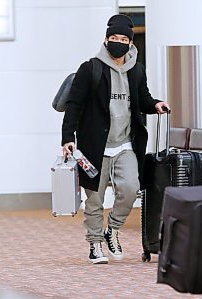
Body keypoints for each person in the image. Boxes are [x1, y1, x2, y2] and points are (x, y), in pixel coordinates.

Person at [61, 14, 170, 264]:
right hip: (93, 146)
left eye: (123, 39)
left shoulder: (137, 70)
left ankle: (113, 230)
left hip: (125, 144)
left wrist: (156, 105)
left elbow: (143, 98)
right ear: (106, 39)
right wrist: (67, 137)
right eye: (113, 38)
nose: (118, 42)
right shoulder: (90, 68)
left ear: (130, 43)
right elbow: (74, 106)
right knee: (95, 198)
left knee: (131, 189)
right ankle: (95, 244)